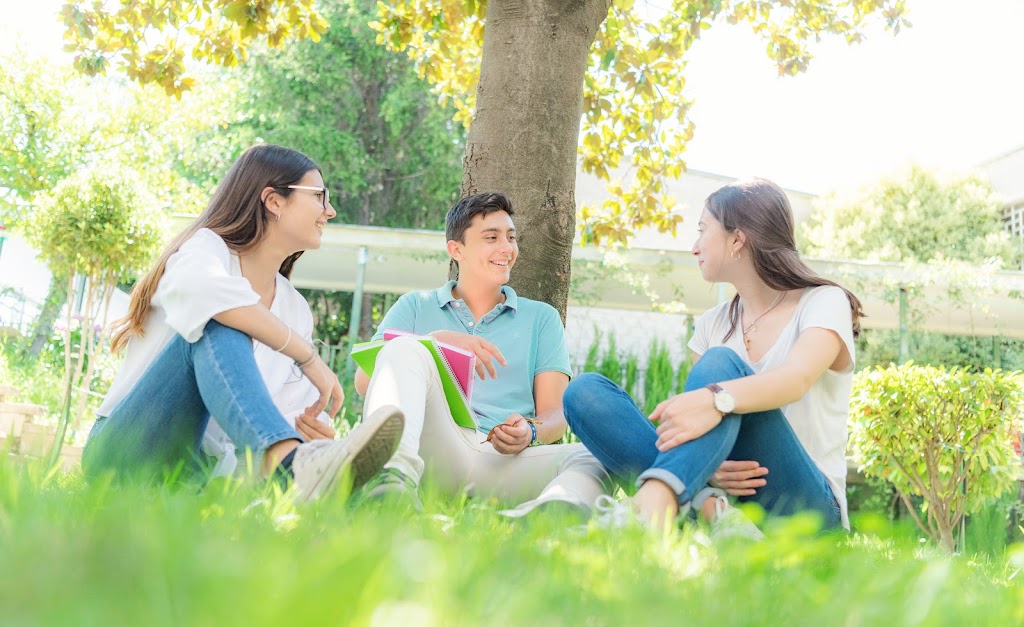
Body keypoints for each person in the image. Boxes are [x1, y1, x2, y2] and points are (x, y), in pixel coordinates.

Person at [83, 144, 403, 500]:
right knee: (219, 321)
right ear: (274, 201)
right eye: (318, 196)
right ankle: (289, 466)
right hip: (126, 450)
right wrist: (306, 355)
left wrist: (309, 436)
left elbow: (278, 411)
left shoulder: (294, 309)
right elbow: (209, 299)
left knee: (316, 465)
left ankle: (362, 493)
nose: (330, 210)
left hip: (200, 474)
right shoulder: (206, 251)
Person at [563, 177, 863, 537]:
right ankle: (712, 512)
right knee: (584, 393)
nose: (694, 247)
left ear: (738, 239)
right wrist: (709, 465)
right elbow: (696, 425)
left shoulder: (824, 302)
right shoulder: (711, 325)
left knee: (720, 364)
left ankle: (652, 506)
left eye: (703, 230)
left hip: (806, 509)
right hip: (726, 499)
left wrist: (716, 399)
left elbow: (795, 379)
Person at [354, 192, 609, 512]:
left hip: (500, 460)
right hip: (431, 450)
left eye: (511, 237)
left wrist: (530, 431)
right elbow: (366, 381)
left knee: (598, 456)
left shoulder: (542, 318)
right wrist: (435, 341)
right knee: (405, 347)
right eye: (492, 237)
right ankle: (392, 486)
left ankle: (545, 511)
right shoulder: (415, 306)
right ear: (456, 249)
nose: (507, 248)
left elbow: (555, 415)